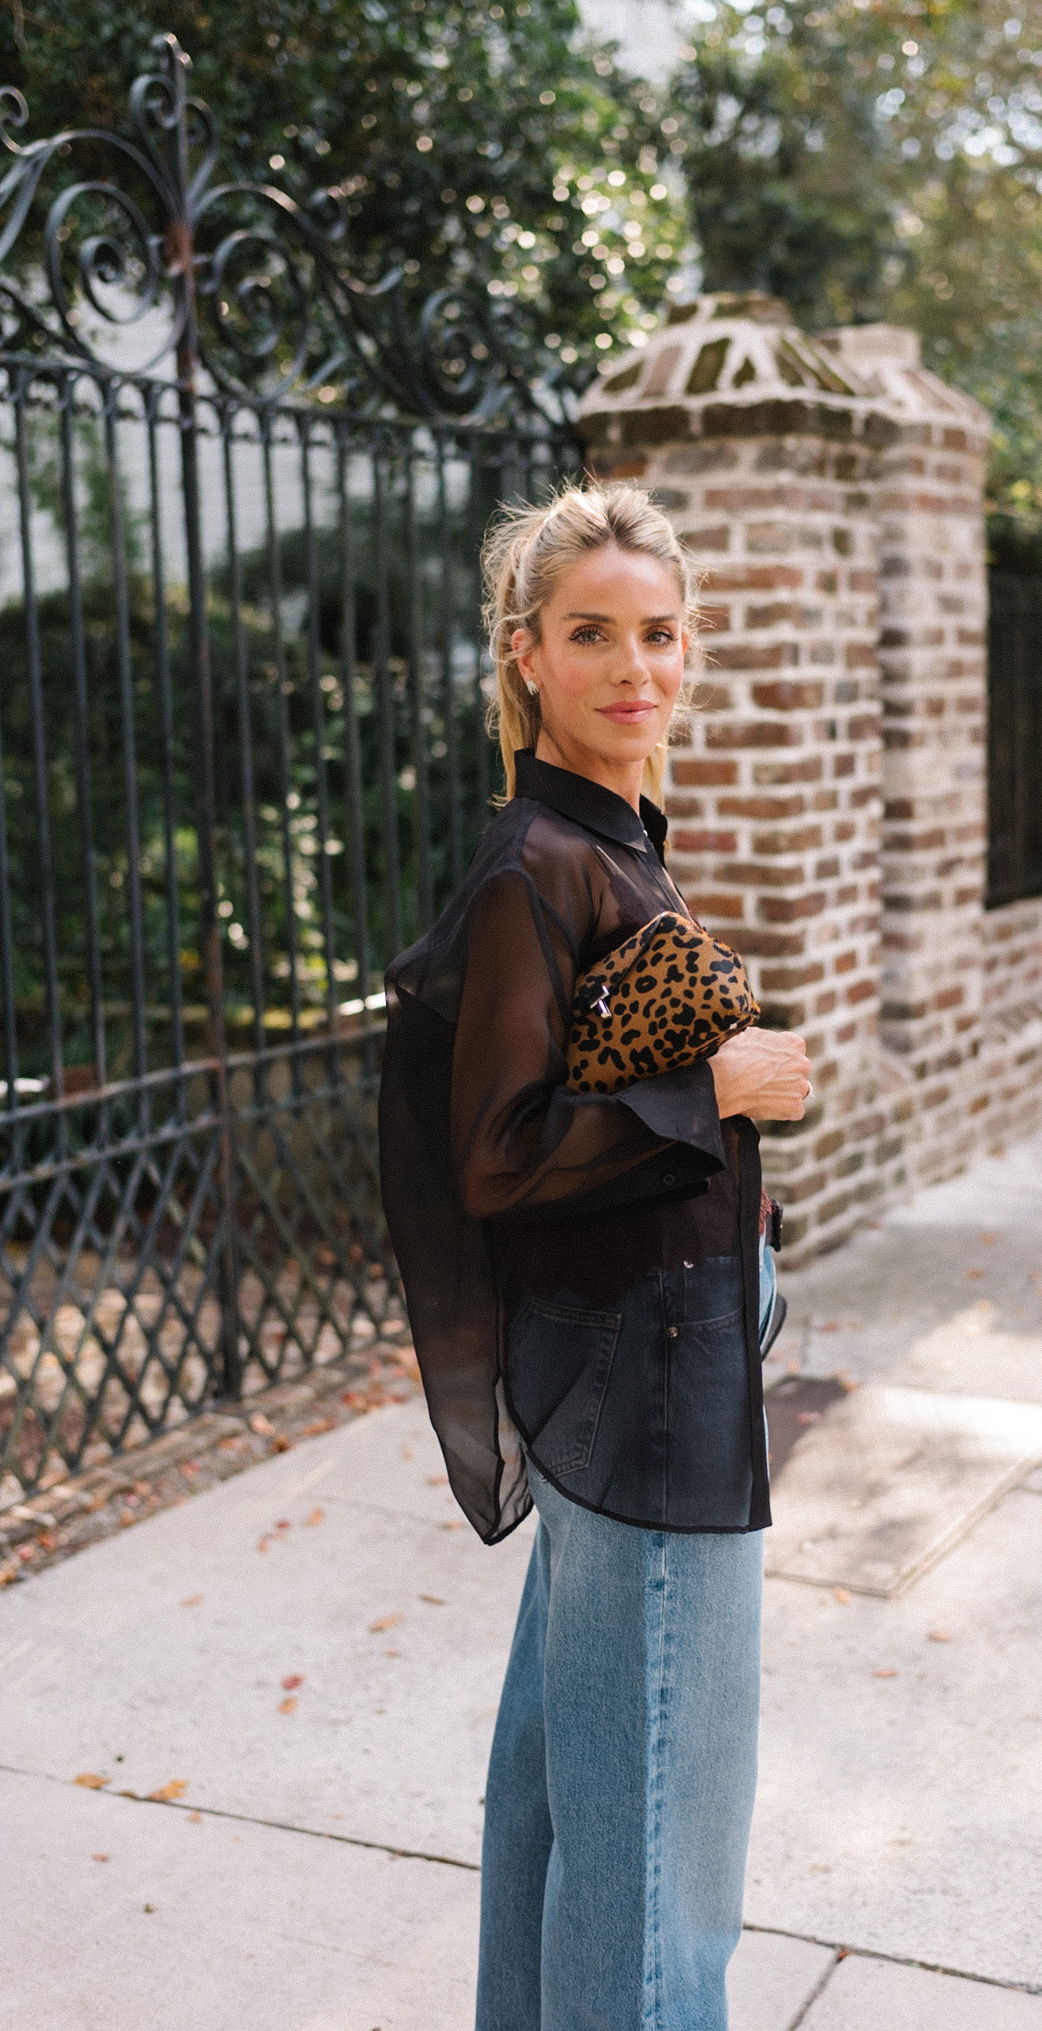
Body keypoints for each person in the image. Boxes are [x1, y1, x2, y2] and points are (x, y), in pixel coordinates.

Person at [378, 482, 810, 2029]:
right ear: (527, 657)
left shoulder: (610, 839)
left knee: (567, 1806)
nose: (637, 666)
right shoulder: (538, 866)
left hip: (640, 1371)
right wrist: (725, 1087)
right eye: (593, 635)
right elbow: (497, 1156)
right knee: (656, 1873)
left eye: (660, 634)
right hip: (638, 1400)